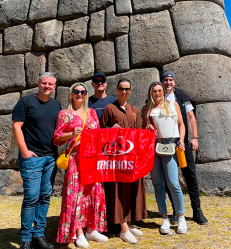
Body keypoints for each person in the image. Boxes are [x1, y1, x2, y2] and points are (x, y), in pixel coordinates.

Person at [53, 82, 108, 248]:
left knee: (94, 193)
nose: (79, 94)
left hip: (91, 159)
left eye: (83, 92)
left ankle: (91, 229)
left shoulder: (91, 112)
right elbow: (56, 138)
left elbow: (98, 135)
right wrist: (71, 133)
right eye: (76, 92)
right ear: (71, 94)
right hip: (75, 160)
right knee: (77, 196)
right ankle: (78, 233)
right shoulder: (65, 114)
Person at [12, 72, 62, 249]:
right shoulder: (25, 102)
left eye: (50, 84)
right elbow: (16, 126)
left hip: (50, 158)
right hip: (32, 158)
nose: (47, 86)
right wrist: (24, 151)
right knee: (31, 197)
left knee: (44, 197)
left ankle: (38, 236)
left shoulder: (57, 105)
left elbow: (59, 131)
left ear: (54, 87)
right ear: (38, 83)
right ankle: (26, 239)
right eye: (44, 83)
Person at [100, 78, 147, 244]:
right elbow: (101, 132)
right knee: (119, 190)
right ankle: (123, 228)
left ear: (130, 91)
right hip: (117, 160)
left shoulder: (133, 109)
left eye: (127, 89)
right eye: (121, 88)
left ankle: (130, 221)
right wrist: (109, 130)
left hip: (132, 158)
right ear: (117, 90)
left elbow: (140, 133)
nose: (124, 91)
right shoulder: (109, 108)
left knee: (132, 189)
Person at [161, 70, 208, 225]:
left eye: (170, 80)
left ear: (174, 82)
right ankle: (175, 211)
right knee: (169, 178)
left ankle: (197, 211)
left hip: (183, 143)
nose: (168, 82)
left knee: (190, 176)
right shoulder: (158, 96)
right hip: (165, 144)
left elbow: (190, 117)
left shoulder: (182, 96)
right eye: (165, 80)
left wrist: (194, 138)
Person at [142, 82, 187, 235]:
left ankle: (181, 216)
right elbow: (146, 129)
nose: (157, 93)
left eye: (160, 90)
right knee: (158, 184)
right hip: (155, 147)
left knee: (173, 183)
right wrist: (147, 128)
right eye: (154, 91)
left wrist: (181, 140)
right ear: (151, 93)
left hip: (171, 145)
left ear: (163, 91)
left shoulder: (173, 105)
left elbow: (181, 125)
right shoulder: (147, 110)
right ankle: (164, 217)